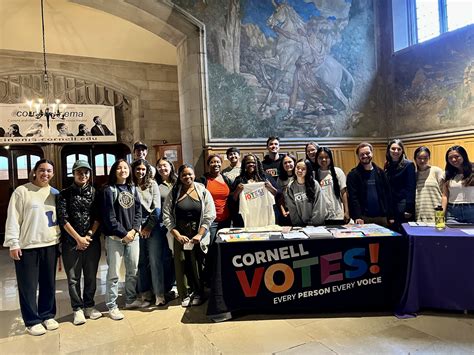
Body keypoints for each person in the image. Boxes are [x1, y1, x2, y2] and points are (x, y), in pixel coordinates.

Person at [4, 159, 60, 336]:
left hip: (50, 244)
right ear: (34, 171)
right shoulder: (22, 191)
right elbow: (13, 218)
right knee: (28, 285)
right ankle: (32, 320)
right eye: (42, 170)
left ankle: (47, 314)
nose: (45, 174)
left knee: (48, 284)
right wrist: (13, 242)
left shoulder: (55, 193)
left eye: (49, 171)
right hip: (28, 246)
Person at [162, 164, 216, 307]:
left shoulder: (202, 191)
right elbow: (166, 215)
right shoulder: (174, 192)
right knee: (180, 263)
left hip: (197, 235)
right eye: (184, 175)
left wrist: (200, 234)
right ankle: (184, 294)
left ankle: (199, 293)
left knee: (197, 264)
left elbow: (210, 214)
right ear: (179, 177)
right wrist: (176, 234)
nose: (187, 177)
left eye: (190, 174)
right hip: (179, 234)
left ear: (194, 174)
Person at [56, 160, 102, 325]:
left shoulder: (96, 192)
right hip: (71, 242)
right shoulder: (64, 194)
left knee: (91, 276)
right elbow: (63, 219)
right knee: (73, 278)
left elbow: (98, 217)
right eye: (79, 172)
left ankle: (89, 305)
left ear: (89, 174)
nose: (83, 175)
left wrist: (89, 235)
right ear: (73, 174)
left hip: (92, 241)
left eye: (86, 172)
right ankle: (77, 309)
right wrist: (78, 238)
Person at [101, 159, 147, 321]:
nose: (123, 170)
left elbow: (138, 212)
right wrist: (123, 234)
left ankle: (130, 299)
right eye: (119, 168)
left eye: (125, 168)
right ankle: (112, 305)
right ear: (114, 171)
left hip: (133, 236)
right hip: (115, 238)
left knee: (132, 270)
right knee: (114, 273)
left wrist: (134, 230)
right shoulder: (109, 190)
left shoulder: (132, 188)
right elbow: (109, 217)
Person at [131, 159, 166, 306]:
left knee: (155, 260)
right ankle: (145, 292)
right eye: (138, 169)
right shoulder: (129, 185)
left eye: (143, 169)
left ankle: (159, 293)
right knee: (141, 261)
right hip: (135, 227)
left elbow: (157, 207)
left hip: (153, 224)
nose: (140, 172)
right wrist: (136, 227)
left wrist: (149, 227)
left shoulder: (152, 184)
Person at [347, 142, 394, 227]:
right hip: (363, 218)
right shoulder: (353, 175)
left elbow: (388, 195)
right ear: (358, 156)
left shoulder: (381, 173)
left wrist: (390, 215)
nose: (365, 156)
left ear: (372, 153)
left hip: (382, 217)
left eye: (367, 153)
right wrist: (357, 216)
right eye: (362, 154)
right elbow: (353, 197)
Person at [232, 154, 279, 227]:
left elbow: (278, 194)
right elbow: (232, 200)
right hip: (247, 218)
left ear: (257, 164)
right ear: (244, 165)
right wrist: (237, 191)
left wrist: (270, 188)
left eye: (253, 162)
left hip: (264, 215)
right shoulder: (239, 180)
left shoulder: (265, 177)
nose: (251, 164)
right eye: (248, 163)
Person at [155, 157, 178, 299]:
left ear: (170, 166)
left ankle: (180, 283)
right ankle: (168, 286)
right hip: (163, 225)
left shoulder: (178, 182)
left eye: (165, 165)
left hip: (179, 224)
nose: (162, 168)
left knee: (178, 255)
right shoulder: (156, 184)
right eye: (159, 166)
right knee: (166, 257)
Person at [199, 154, 232, 242]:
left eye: (218, 162)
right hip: (210, 220)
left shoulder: (226, 180)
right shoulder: (203, 180)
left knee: (224, 244)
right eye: (212, 162)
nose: (215, 164)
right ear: (208, 165)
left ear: (221, 163)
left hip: (226, 219)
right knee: (211, 245)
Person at [384, 139, 416, 230]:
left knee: (403, 232)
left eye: (399, 149)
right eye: (393, 149)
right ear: (388, 150)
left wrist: (409, 208)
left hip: (403, 203)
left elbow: (411, 187)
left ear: (402, 151)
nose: (396, 151)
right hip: (391, 204)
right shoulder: (387, 165)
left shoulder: (409, 165)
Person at [285, 159, 326, 226]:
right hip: (300, 226)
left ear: (307, 171)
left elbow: (319, 206)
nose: (299, 170)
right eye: (297, 168)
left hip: (316, 226)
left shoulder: (314, 184)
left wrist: (313, 224)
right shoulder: (290, 186)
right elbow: (292, 209)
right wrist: (299, 225)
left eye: (303, 169)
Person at [314, 147, 350, 223]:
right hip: (321, 215)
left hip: (337, 213)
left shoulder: (338, 171)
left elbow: (343, 192)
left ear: (330, 158)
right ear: (316, 159)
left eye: (326, 157)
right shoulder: (314, 174)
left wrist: (346, 211)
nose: (324, 160)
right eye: (320, 158)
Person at [442, 145, 474, 224]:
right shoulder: (447, 174)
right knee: (452, 235)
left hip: (472, 211)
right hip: (452, 212)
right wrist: (441, 213)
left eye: (457, 156)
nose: (453, 159)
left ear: (464, 156)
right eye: (450, 158)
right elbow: (445, 195)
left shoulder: (472, 171)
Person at [414, 146, 444, 222]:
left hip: (437, 213)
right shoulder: (413, 174)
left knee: (439, 232)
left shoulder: (436, 171)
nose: (422, 160)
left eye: (425, 158)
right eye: (419, 158)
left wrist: (443, 212)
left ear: (429, 158)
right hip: (420, 215)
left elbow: (445, 194)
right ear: (415, 159)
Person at [276, 155, 296, 225]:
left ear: (294, 163)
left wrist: (292, 210)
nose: (287, 164)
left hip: (299, 210)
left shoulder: (299, 176)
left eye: (290, 162)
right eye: (285, 163)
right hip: (286, 211)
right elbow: (280, 197)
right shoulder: (280, 179)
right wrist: (283, 210)